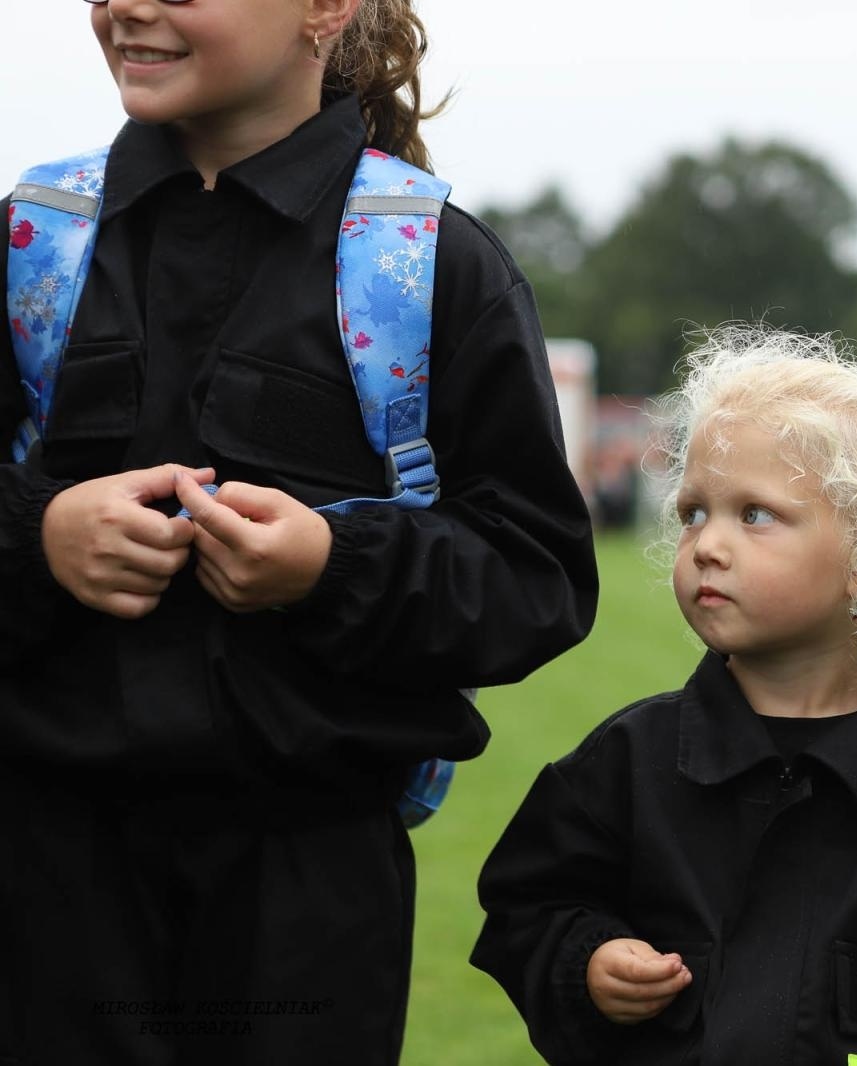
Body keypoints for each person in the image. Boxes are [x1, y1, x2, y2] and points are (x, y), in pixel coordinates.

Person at [0, 1, 597, 1063]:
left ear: (325, 8)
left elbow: (536, 578)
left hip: (313, 898)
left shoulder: (431, 265)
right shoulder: (32, 243)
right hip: (44, 879)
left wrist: (334, 566)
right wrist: (38, 535)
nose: (127, 5)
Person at [471, 328, 857, 1066]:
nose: (707, 544)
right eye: (695, 511)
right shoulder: (631, 760)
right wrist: (587, 960)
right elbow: (528, 907)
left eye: (755, 514)